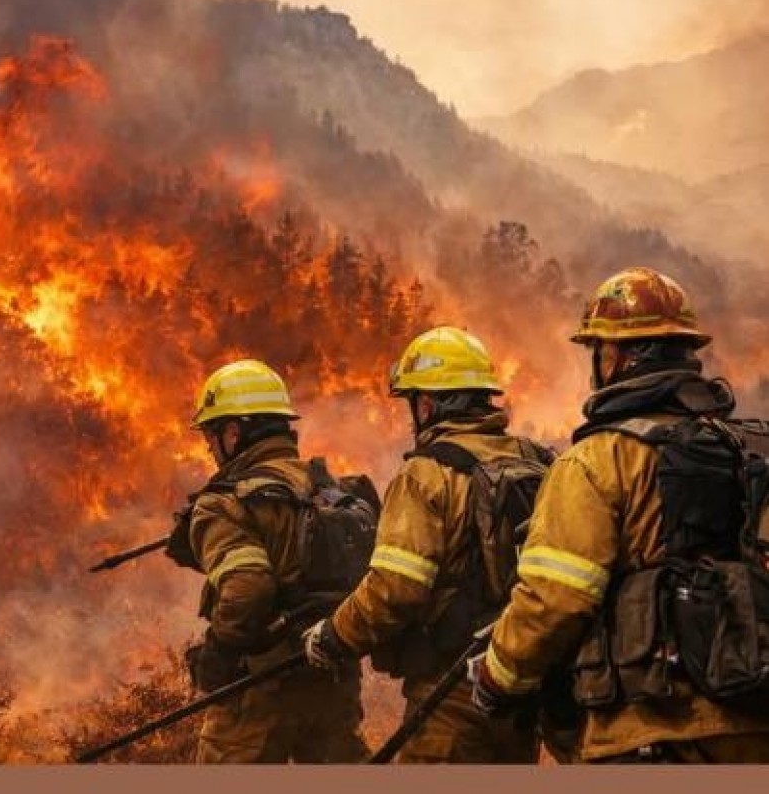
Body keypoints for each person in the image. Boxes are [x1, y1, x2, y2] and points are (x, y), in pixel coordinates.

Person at [470, 266, 769, 763]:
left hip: (648, 728)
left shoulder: (597, 460)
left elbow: (555, 600)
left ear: (622, 357)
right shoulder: (750, 450)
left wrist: (496, 676)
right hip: (753, 727)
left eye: (600, 349)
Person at [303, 326, 552, 763]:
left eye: (413, 402)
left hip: (451, 691)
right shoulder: (535, 460)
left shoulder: (428, 473)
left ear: (427, 405)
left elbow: (395, 588)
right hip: (518, 687)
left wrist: (334, 635)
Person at [180, 359, 369, 764]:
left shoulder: (223, 502)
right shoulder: (327, 489)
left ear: (233, 433)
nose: (209, 448)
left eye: (211, 435)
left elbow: (248, 588)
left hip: (259, 686)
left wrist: (219, 652)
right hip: (331, 676)